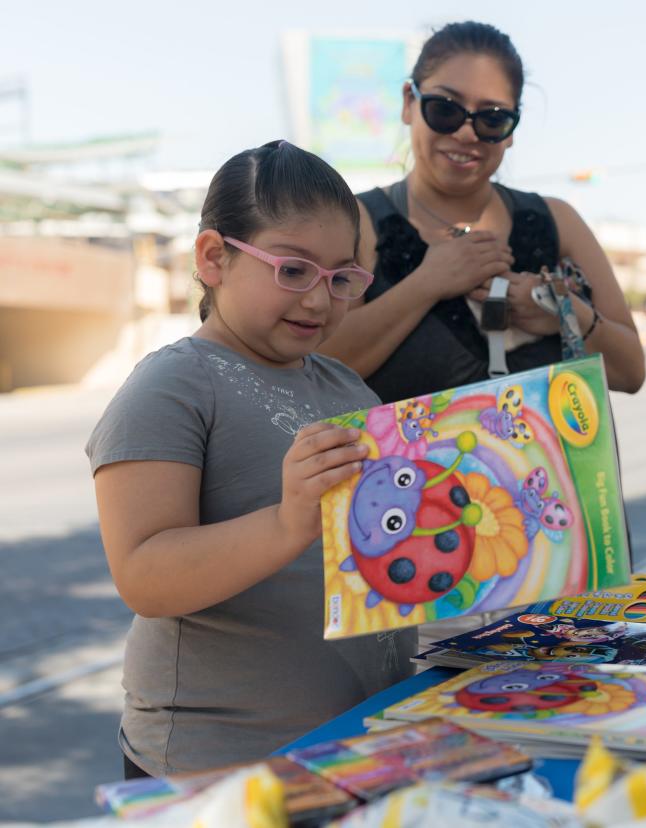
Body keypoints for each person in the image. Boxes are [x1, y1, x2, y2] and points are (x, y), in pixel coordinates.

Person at [86, 140, 418, 779]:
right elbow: (143, 575)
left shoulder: (346, 387)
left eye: (341, 278)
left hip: (354, 749)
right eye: (293, 270)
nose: (319, 301)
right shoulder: (173, 385)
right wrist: (289, 522)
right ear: (214, 257)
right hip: (214, 770)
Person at [319, 21, 646, 402]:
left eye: (492, 118)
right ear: (409, 102)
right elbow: (318, 370)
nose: (466, 133)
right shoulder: (356, 222)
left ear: (511, 129)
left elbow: (631, 371)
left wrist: (562, 312)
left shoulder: (557, 221)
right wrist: (428, 282)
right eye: (444, 109)